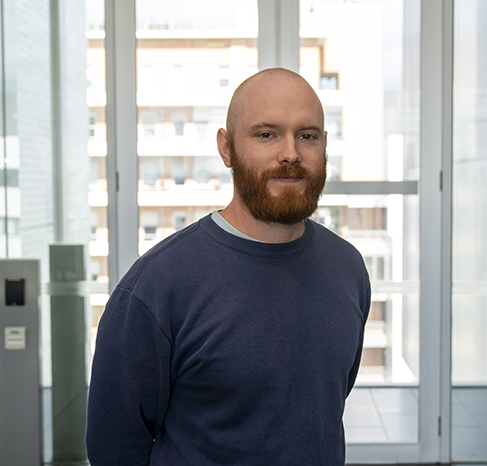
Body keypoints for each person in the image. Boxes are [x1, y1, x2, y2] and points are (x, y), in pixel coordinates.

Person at [86, 68, 371, 465]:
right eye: (266, 134)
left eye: (306, 135)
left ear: (324, 146)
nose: (290, 153)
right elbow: (114, 446)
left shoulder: (348, 268)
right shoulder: (156, 286)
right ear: (226, 148)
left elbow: (324, 404)